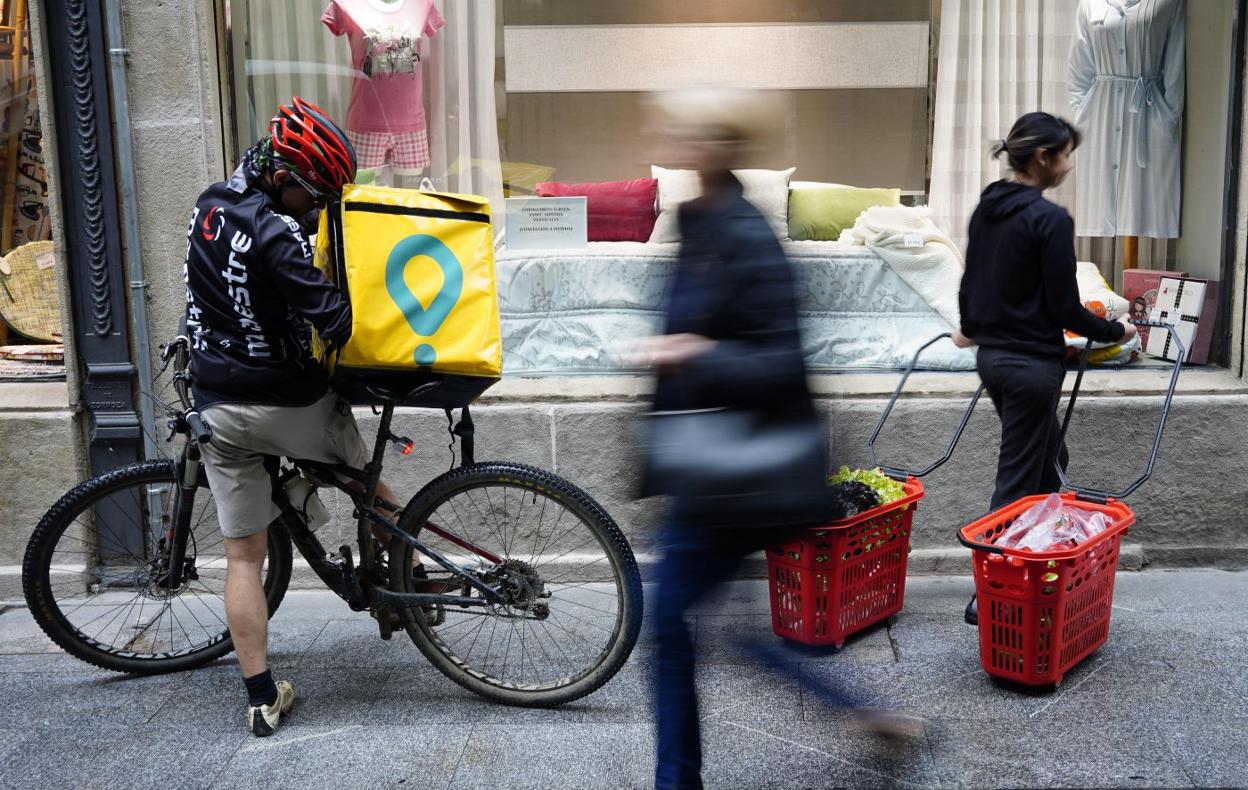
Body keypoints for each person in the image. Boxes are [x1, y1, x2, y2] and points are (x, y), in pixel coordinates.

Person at [638, 86, 923, 790]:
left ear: (718, 149)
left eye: (689, 133)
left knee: (670, 626)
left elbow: (781, 360)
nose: (675, 144)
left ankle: (678, 782)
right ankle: (868, 712)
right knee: (714, 630)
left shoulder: (745, 234)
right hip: (707, 464)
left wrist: (692, 354)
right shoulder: (698, 224)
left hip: (739, 470)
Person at [184, 96, 400, 736]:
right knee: (371, 486)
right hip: (287, 403)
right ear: (283, 179)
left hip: (217, 405)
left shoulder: (209, 203)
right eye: (316, 196)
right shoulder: (277, 234)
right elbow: (333, 319)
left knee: (243, 557)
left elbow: (202, 290)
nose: (318, 208)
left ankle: (259, 699)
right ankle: (409, 583)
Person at [953, 112, 1136, 625]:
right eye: (1066, 155)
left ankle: (1042, 565)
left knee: (1051, 459)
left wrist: (971, 326)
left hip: (993, 360)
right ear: (1042, 158)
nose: (1070, 166)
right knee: (1016, 481)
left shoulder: (988, 208)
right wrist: (1114, 332)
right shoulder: (1049, 219)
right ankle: (989, 593)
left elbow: (972, 283)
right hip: (1032, 366)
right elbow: (1064, 309)